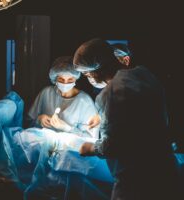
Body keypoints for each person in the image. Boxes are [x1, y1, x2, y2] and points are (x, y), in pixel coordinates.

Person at [74, 38, 178, 200]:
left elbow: (112, 146)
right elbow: (140, 118)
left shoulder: (111, 93)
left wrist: (91, 148)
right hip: (165, 167)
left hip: (136, 181)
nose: (89, 78)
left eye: (87, 74)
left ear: (95, 71)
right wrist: (104, 117)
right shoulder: (143, 75)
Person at [27, 56, 99, 139]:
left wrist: (67, 128)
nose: (65, 83)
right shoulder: (46, 93)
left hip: (69, 150)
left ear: (76, 79)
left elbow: (91, 140)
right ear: (54, 79)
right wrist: (39, 119)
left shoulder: (85, 102)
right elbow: (27, 122)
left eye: (70, 80)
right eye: (61, 79)